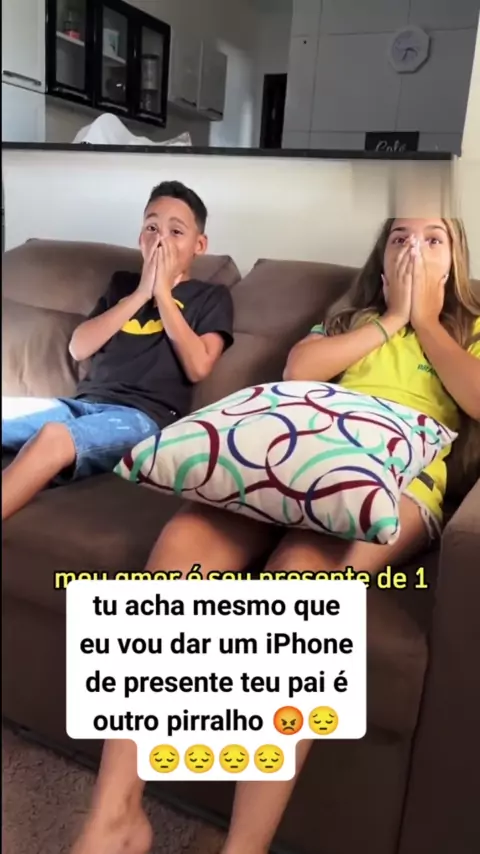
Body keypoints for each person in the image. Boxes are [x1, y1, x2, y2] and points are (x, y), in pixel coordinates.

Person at [73, 217, 480, 854]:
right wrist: (392, 319)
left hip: (393, 483)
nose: (414, 251)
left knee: (299, 586)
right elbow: (299, 373)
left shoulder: (471, 326)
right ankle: (113, 817)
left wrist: (425, 321)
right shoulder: (350, 318)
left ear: (456, 259)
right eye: (400, 239)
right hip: (295, 460)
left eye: (433, 240)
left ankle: (244, 847)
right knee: (180, 548)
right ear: (380, 258)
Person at [2, 181, 234, 520]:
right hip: (81, 406)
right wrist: (141, 294)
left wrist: (163, 294)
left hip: (143, 418)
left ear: (199, 245)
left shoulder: (210, 297)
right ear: (141, 237)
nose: (161, 240)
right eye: (152, 228)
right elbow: (79, 347)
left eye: (176, 232)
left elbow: (199, 366)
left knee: (55, 437)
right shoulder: (122, 285)